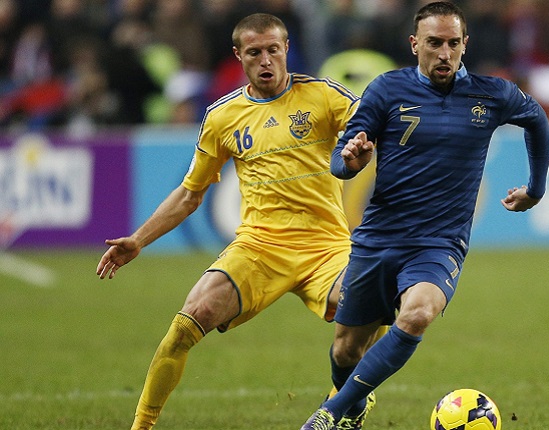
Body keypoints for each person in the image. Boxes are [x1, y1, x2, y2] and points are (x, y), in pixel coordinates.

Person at [96, 13, 378, 430]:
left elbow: (369, 130)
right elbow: (190, 194)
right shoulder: (222, 117)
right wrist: (138, 240)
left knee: (370, 305)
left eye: (273, 50)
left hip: (326, 247)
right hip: (259, 247)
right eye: (254, 52)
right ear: (239, 56)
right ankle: (141, 426)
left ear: (286, 49)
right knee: (184, 325)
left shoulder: (324, 96)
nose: (266, 60)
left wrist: (361, 151)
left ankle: (349, 402)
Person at [300, 2, 549, 429]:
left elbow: (536, 119)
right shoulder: (386, 90)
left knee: (417, 314)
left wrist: (536, 189)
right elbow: (341, 162)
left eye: (454, 44)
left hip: (439, 243)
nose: (445, 53)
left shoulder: (491, 94)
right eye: (434, 43)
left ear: (464, 45)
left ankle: (329, 413)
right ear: (415, 44)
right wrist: (352, 161)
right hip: (379, 237)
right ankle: (354, 408)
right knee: (345, 350)